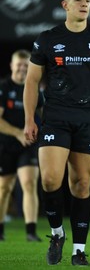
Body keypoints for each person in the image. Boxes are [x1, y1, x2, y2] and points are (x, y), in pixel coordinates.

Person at [23, 0, 90, 266]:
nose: (84, 4)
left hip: (89, 119)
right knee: (50, 180)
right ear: (64, 5)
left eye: (88, 0)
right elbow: (31, 80)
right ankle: (57, 233)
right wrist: (30, 118)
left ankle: (78, 250)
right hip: (55, 117)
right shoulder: (47, 38)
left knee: (81, 185)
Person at [0, 50, 43, 242]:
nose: (23, 68)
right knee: (4, 188)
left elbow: (43, 114)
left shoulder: (33, 88)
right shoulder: (3, 87)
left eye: (26, 65)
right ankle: (0, 230)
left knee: (29, 183)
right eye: (19, 64)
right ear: (11, 65)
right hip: (6, 144)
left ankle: (31, 231)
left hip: (29, 144)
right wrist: (18, 133)